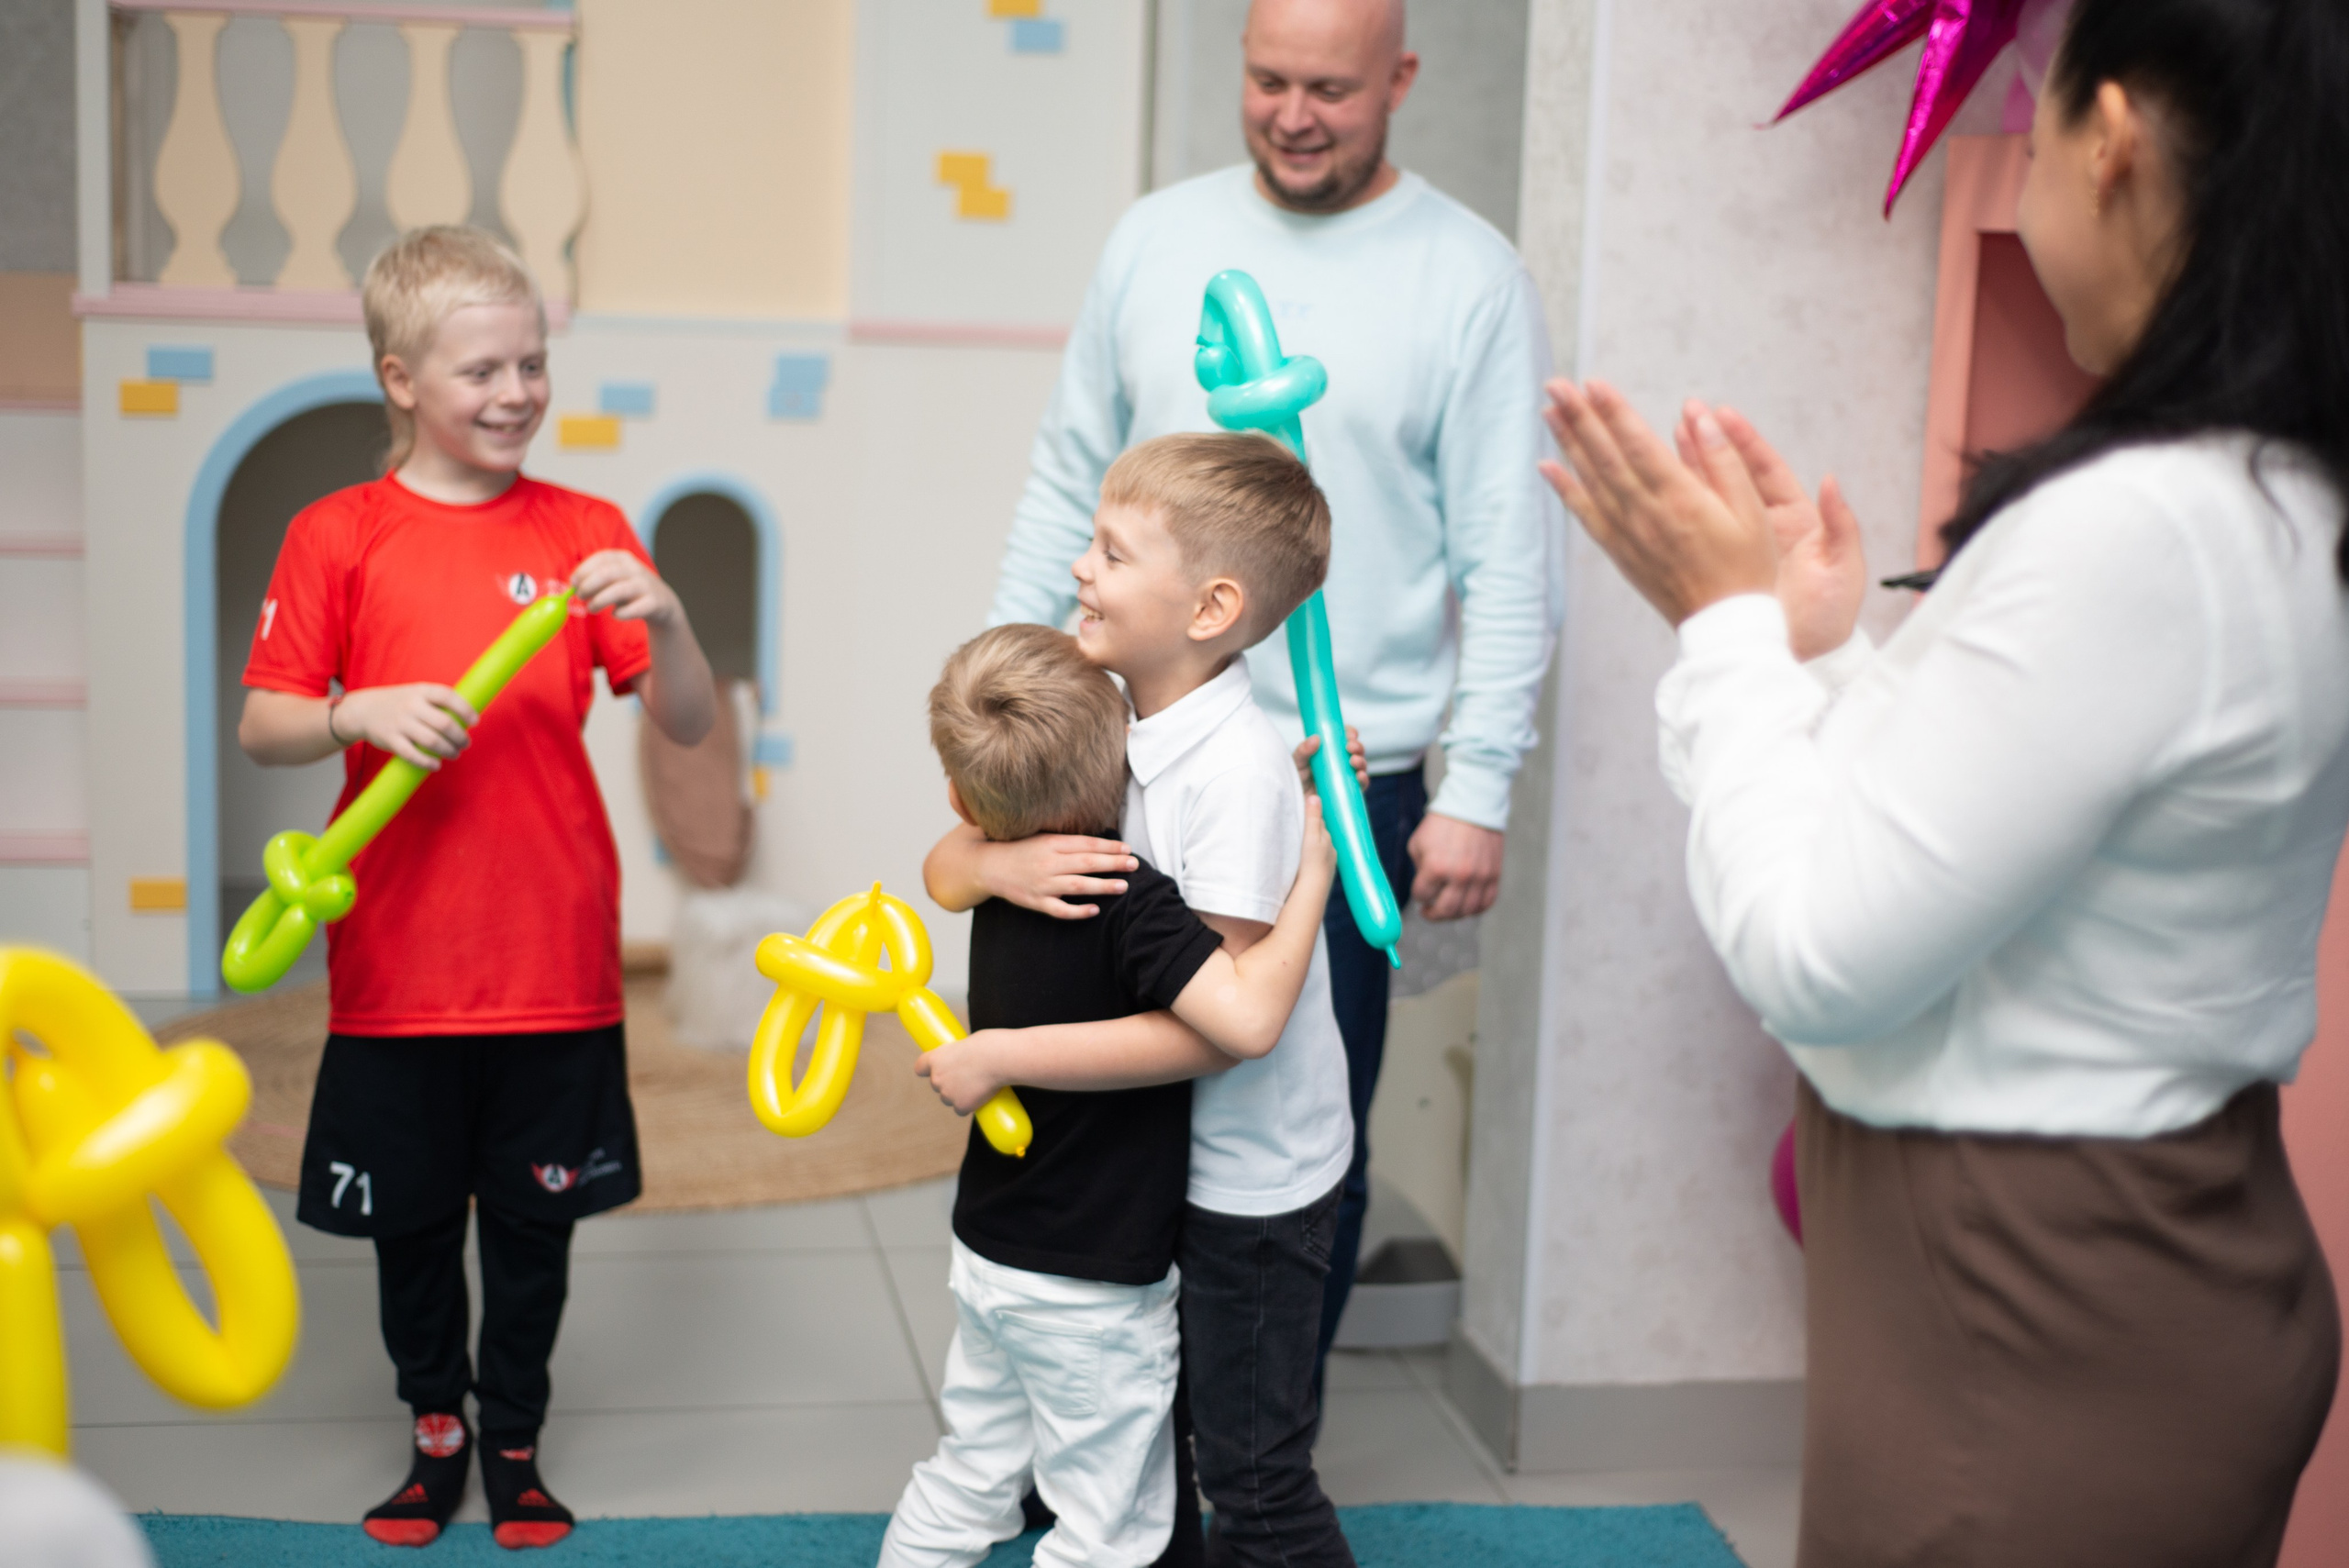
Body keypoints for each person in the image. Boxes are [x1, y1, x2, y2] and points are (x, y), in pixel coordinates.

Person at [1539, 0, 2349, 1562]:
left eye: (2032, 117)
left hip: (2033, 1318)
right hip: (2156, 1271)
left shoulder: (2142, 528)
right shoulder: (2276, 494)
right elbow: (2005, 823)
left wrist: (1722, 634)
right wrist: (1823, 652)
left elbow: (1815, 952)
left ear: (2105, 138)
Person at [984, 0, 1564, 1376]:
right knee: (1095, 1093)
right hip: (1118, 751)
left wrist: (1477, 787)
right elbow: (1068, 474)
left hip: (1334, 783)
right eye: (1267, 80)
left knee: (1291, 1131)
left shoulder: (1469, 278)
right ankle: (1093, 1421)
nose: (1294, 113)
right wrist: (1008, 699)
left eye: (1331, 89)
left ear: (1401, 80)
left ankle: (1256, 1445)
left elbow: (1509, 550)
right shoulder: (1156, 238)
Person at [239, 226, 718, 1551]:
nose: (516, 392)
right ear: (399, 377)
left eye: (534, 363)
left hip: (553, 952)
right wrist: (358, 710)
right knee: (407, 1226)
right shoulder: (336, 534)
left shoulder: (584, 532)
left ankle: (513, 1432)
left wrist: (670, 616)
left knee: (532, 1223)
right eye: (481, 370)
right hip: (396, 961)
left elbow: (680, 724)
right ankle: (432, 1426)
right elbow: (265, 724)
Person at [929, 434, 1358, 1567]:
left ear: (1211, 605)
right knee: (1141, 1459)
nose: (1080, 568)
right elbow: (944, 858)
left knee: (1250, 1472)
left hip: (1245, 1181)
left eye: (1112, 552)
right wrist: (993, 865)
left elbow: (1221, 1030)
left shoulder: (1234, 776)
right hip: (1152, 1166)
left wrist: (1002, 1052)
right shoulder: (1107, 709)